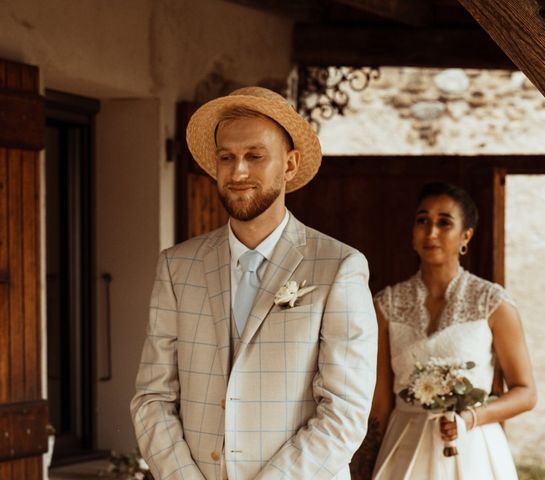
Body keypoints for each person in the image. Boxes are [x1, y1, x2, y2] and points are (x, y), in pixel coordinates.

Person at [130, 87, 378, 480]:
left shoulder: (339, 268)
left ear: (290, 164)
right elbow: (152, 398)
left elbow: (344, 412)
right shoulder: (177, 267)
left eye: (255, 156)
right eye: (226, 157)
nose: (238, 171)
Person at [370, 182, 536, 480]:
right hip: (403, 446)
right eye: (422, 221)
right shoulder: (386, 304)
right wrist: (366, 459)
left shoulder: (492, 302)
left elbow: (526, 392)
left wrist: (471, 418)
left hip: (472, 448)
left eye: (444, 223)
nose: (431, 232)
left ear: (466, 235)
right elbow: (381, 400)